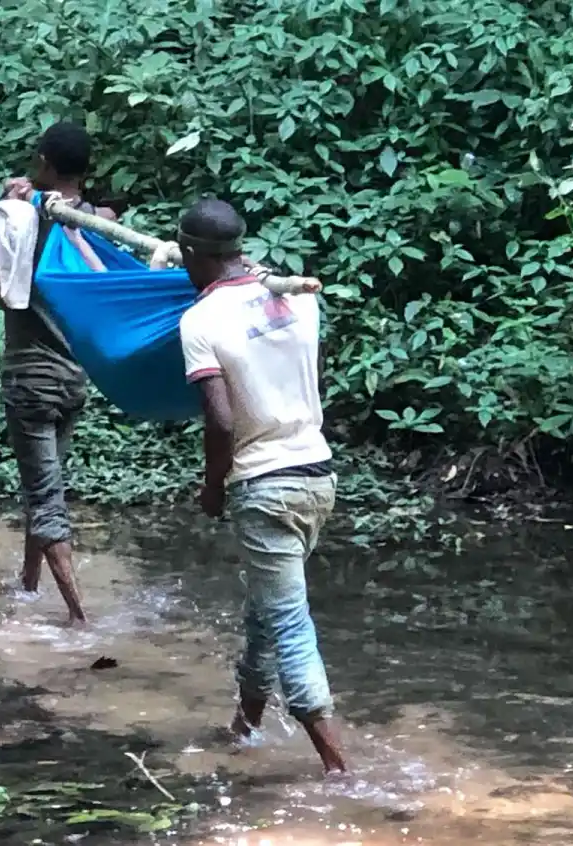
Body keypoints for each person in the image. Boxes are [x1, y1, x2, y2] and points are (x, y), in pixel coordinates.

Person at [172, 198, 347, 774]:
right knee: (265, 610)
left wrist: (212, 486)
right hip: (317, 475)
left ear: (195, 254)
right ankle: (244, 726)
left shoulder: (200, 321)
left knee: (290, 624)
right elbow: (314, 380)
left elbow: (221, 421)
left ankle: (340, 769)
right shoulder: (296, 298)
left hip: (264, 486)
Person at [0, 121, 117, 627]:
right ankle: (29, 585)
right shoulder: (100, 222)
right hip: (74, 379)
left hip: (30, 378)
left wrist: (7, 216)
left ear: (45, 164)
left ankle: (80, 616)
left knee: (44, 496)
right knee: (42, 483)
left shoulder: (27, 220)